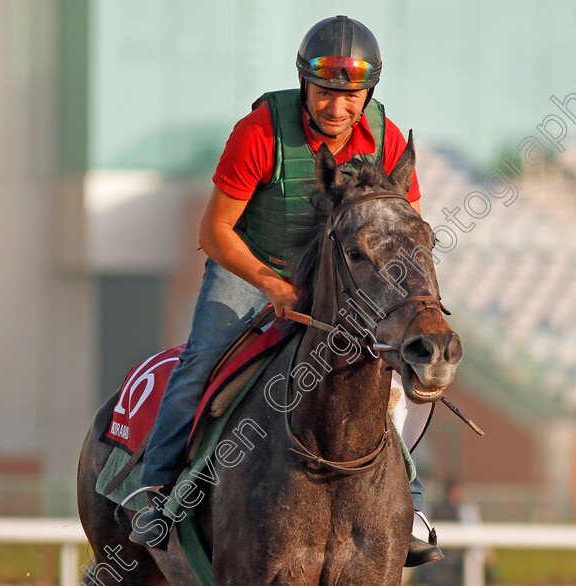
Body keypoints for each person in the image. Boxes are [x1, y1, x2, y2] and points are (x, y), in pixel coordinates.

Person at [131, 15, 442, 567]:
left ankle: (410, 507)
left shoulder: (389, 138)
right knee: (201, 360)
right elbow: (213, 233)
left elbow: (403, 233)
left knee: (383, 375)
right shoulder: (259, 132)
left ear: (368, 92)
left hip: (341, 280)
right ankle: (155, 493)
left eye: (351, 97)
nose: (337, 108)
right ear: (305, 84)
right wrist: (272, 284)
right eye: (325, 93)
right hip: (251, 268)